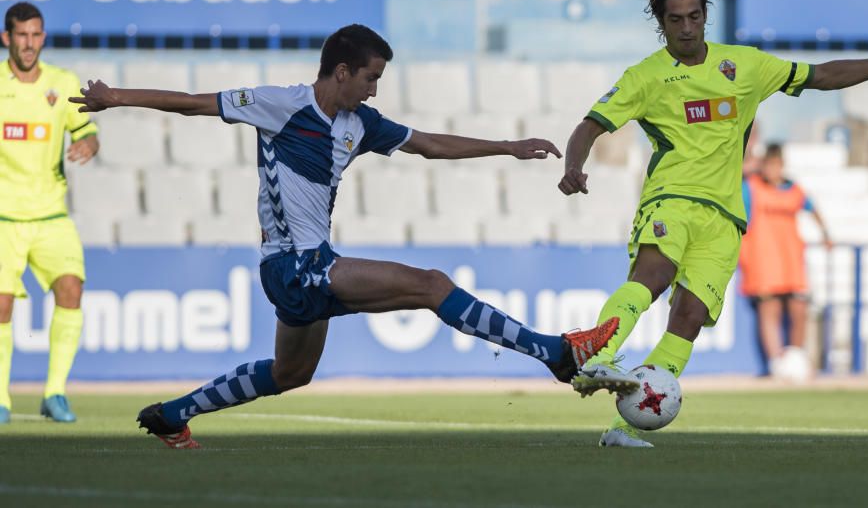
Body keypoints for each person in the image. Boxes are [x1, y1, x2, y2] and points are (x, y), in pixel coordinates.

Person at [71, 24, 619, 449]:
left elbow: (428, 143)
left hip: (307, 266)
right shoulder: (282, 104)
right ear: (340, 72)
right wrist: (114, 96)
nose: (374, 87)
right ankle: (554, 353)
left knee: (291, 374)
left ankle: (172, 415)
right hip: (292, 263)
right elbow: (195, 103)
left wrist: (506, 146)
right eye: (370, 77)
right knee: (431, 285)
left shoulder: (361, 123)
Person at [557, 0, 868, 447]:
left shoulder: (744, 65)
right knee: (652, 277)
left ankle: (625, 427)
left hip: (727, 217)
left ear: (706, 16)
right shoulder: (645, 77)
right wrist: (574, 165)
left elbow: (820, 75)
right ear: (661, 23)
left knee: (688, 319)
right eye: (676, 19)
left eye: (694, 16)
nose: (687, 27)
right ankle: (594, 352)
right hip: (673, 198)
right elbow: (590, 125)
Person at [0, 2, 100, 425]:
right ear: (7, 38)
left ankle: (54, 393)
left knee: (71, 289)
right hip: (4, 218)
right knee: (2, 305)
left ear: (43, 37)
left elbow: (88, 133)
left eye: (36, 34)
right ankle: (1, 400)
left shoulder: (62, 83)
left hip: (50, 216)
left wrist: (88, 146)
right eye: (21, 35)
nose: (29, 43)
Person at [740, 143, 832, 381]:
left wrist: (825, 235)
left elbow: (812, 208)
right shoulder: (751, 187)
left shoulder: (794, 190)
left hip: (790, 258)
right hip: (762, 259)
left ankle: (796, 358)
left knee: (798, 309)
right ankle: (776, 364)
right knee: (769, 308)